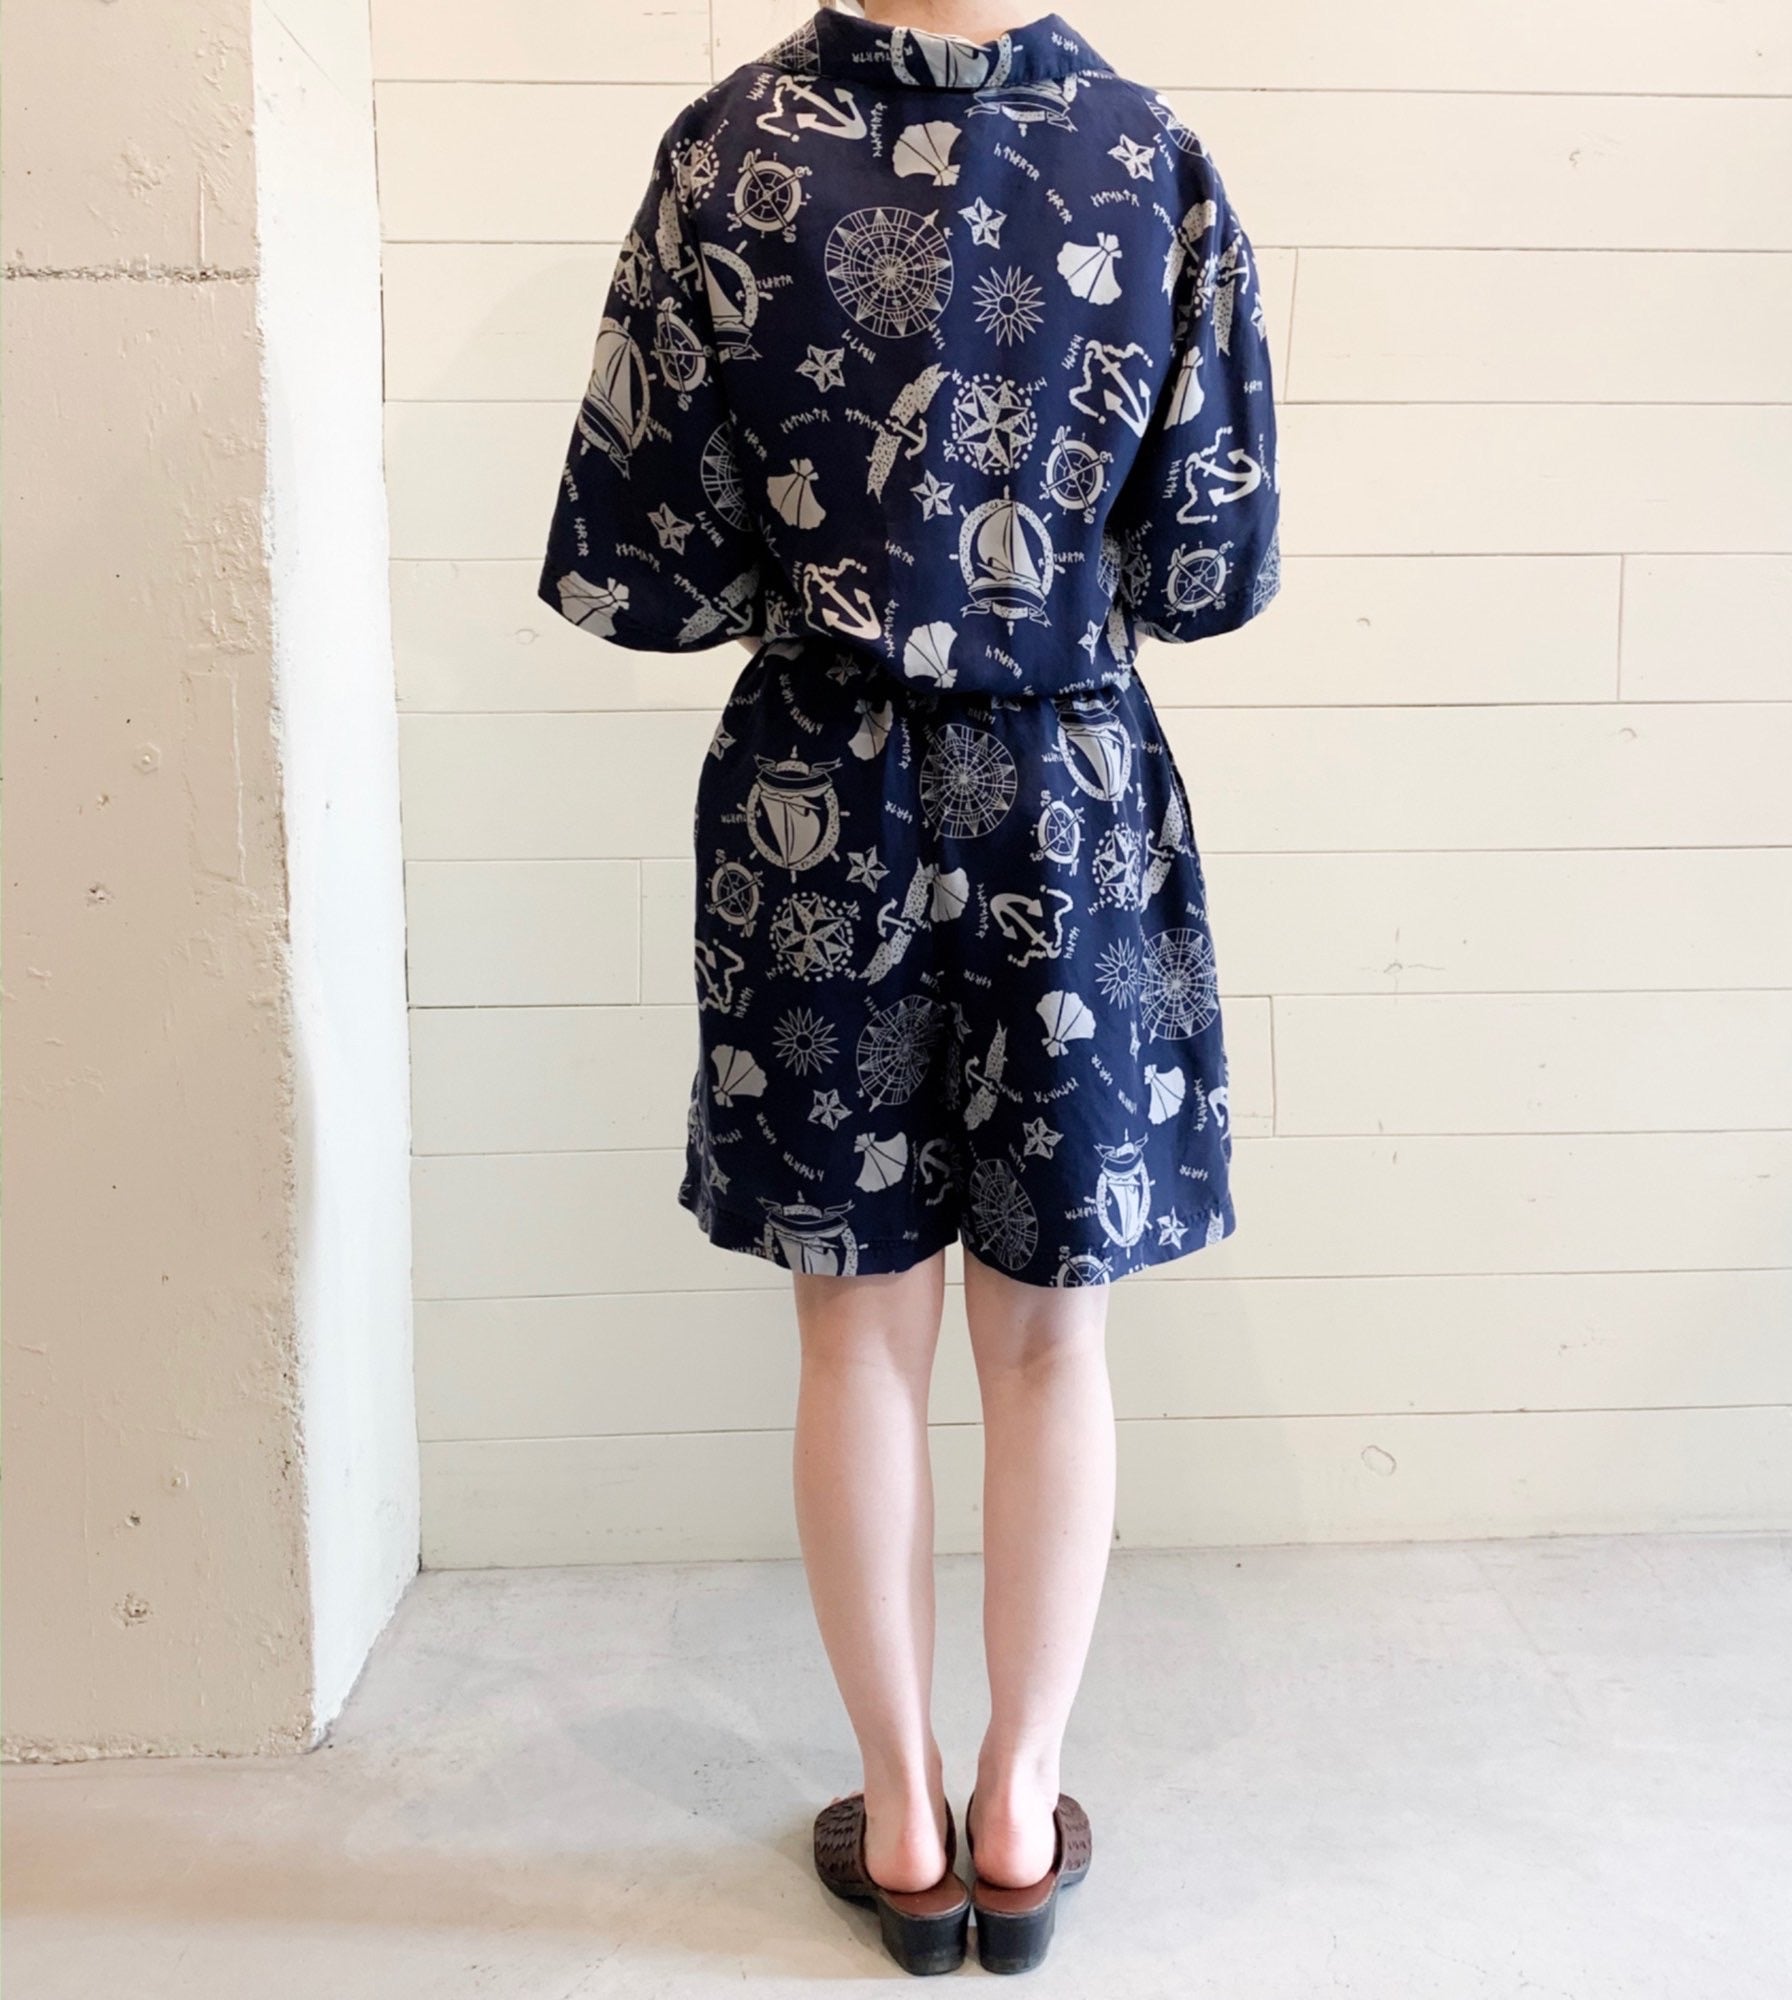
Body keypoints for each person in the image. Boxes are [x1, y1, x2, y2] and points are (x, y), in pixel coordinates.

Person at [536, 0, 1281, 1972]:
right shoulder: (1148, 151)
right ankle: (1020, 1814)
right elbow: (1206, 564)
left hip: (822, 798)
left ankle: (901, 1818)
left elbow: (655, 561)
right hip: (1066, 796)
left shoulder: (726, 148)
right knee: (1052, 1345)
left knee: (854, 1342)